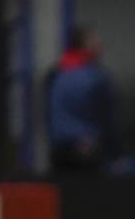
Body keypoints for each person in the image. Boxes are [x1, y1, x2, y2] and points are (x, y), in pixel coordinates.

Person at [46, 25, 117, 174]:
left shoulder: (55, 74)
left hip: (59, 150)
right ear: (84, 45)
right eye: (95, 41)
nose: (100, 44)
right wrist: (116, 152)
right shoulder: (96, 78)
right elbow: (108, 117)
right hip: (87, 150)